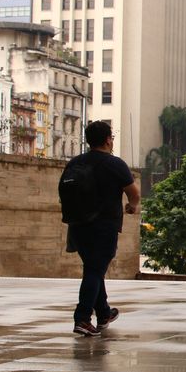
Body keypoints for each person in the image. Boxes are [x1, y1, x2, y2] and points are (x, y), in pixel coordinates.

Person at [66, 121, 140, 336]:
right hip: (103, 226)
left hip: (77, 224)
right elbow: (133, 193)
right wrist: (132, 207)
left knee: (93, 268)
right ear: (108, 139)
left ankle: (104, 312)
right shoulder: (114, 164)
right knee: (94, 270)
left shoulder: (74, 162)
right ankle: (82, 318)